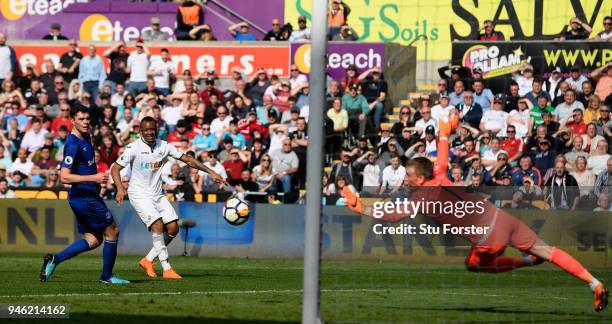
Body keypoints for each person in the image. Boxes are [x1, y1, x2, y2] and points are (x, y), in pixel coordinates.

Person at [343, 117, 609, 313]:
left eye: (409, 176)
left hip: (488, 237)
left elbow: (394, 215)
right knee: (549, 251)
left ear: (420, 177)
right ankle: (594, 283)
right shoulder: (440, 175)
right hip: (501, 218)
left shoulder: (421, 198)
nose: (406, 179)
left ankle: (526, 263)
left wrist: (363, 208)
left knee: (473, 264)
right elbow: (443, 155)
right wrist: (445, 134)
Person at [111, 117, 225, 279]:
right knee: (157, 225)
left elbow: (188, 159)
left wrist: (212, 172)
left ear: (156, 129)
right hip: (139, 194)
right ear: (140, 132)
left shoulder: (164, 146)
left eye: (152, 129)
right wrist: (120, 188)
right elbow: (115, 169)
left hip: (158, 194)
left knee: (173, 228)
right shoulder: (133, 148)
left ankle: (148, 260)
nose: (149, 132)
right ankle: (167, 269)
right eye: (146, 130)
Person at [39, 105, 129, 284]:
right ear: (72, 120)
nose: (86, 122)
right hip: (84, 197)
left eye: (87, 119)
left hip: (87, 195)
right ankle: (107, 276)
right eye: (81, 119)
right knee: (113, 231)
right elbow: (64, 176)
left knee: (93, 239)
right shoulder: (72, 145)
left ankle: (54, 259)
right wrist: (93, 178)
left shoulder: (87, 136)